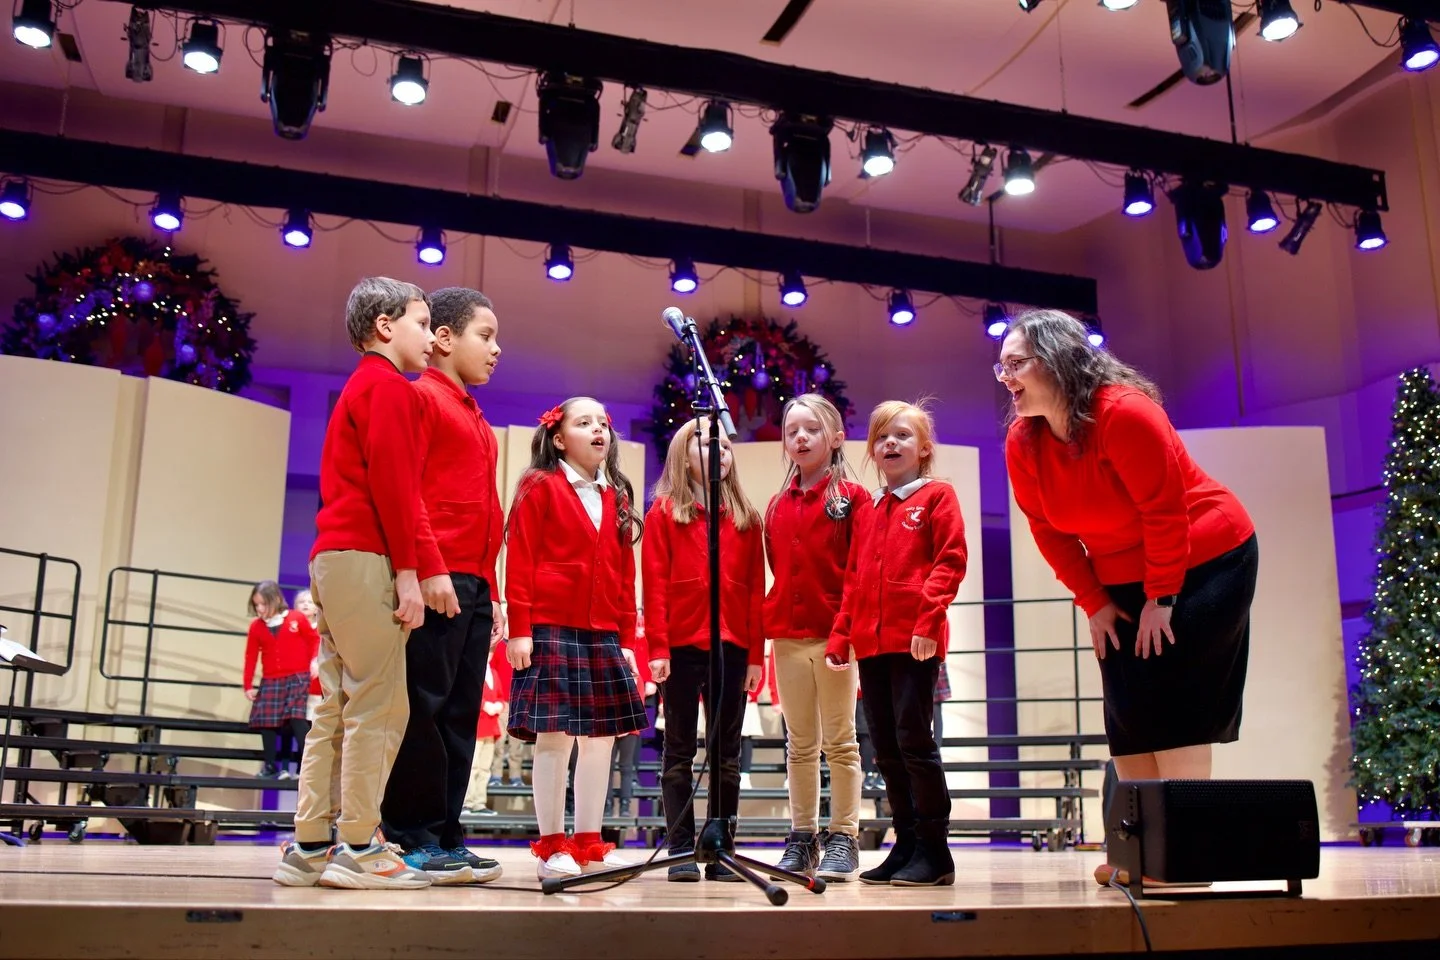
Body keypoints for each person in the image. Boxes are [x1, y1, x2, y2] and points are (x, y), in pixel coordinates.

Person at [997, 309, 1258, 885]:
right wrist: (1093, 601)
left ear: (1058, 361)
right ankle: (1139, 854)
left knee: (1178, 701)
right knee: (1128, 707)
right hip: (1121, 575)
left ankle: (1183, 858)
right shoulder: (1024, 440)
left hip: (1203, 558)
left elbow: (1165, 511)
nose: (1005, 377)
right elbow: (1047, 529)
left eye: (1016, 364)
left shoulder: (1124, 413)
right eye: (1002, 366)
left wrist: (1162, 598)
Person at [272, 277, 435, 890]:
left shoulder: (358, 388)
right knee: (380, 705)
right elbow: (395, 486)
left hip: (333, 558)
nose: (430, 338)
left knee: (336, 707)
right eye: (422, 323)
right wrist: (409, 573)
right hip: (367, 556)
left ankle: (311, 844)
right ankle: (361, 845)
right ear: (385, 326)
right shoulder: (390, 388)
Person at [379, 287, 505, 885]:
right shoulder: (421, 398)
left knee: (459, 713)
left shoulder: (475, 415)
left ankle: (447, 832)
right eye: (486, 335)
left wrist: (493, 590)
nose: (496, 349)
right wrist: (430, 568)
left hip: (475, 583)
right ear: (446, 338)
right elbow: (411, 495)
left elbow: (487, 513)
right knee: (424, 709)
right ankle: (412, 834)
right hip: (440, 578)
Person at [826, 400, 968, 887]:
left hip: (914, 643)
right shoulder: (869, 509)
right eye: (882, 437)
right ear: (872, 450)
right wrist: (842, 633)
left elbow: (950, 560)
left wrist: (928, 621)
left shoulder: (938, 496)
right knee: (885, 748)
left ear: (924, 448)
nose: (891, 443)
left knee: (914, 743)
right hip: (871, 645)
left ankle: (935, 850)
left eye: (903, 435)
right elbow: (854, 577)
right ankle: (905, 843)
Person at [505, 397, 647, 880]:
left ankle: (589, 841)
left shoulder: (617, 495)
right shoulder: (539, 484)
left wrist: (626, 638)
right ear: (560, 438)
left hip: (602, 631)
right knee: (554, 738)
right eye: (584, 422)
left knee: (601, 740)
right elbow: (520, 559)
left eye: (603, 422)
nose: (598, 429)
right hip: (550, 627)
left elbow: (625, 574)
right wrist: (520, 629)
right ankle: (551, 846)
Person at [643, 420, 765, 882]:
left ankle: (720, 849)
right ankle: (679, 848)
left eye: (727, 444)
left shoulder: (746, 518)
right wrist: (657, 646)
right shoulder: (663, 512)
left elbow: (755, 591)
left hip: (731, 648)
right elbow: (654, 583)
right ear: (683, 454)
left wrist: (755, 656)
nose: (720, 449)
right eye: (708, 441)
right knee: (678, 752)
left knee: (726, 756)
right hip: (679, 647)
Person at [764, 394, 868, 881]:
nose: (800, 438)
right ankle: (802, 837)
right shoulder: (776, 506)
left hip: (836, 638)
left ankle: (844, 836)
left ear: (836, 438)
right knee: (799, 743)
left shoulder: (853, 498)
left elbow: (857, 573)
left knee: (841, 742)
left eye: (811, 429)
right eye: (792, 431)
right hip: (787, 637)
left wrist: (843, 633)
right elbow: (779, 568)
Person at [242, 581, 319, 779]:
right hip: (271, 679)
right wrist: (248, 685)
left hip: (297, 677)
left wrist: (314, 661)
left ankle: (309, 764)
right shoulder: (256, 627)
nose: (260, 609)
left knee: (296, 717)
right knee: (266, 721)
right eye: (257, 605)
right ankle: (270, 765)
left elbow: (314, 640)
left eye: (264, 604)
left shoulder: (296, 618)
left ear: (276, 600)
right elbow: (251, 656)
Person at [464, 650, 508, 818]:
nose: (488, 655)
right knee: (472, 766)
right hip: (476, 725)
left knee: (484, 768)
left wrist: (499, 705)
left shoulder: (493, 673)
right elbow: (468, 694)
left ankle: (479, 803)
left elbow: (500, 695)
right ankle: (467, 802)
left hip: (490, 726)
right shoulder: (473, 671)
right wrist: (484, 705)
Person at [293, 590, 323, 722]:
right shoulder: (292, 628)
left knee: (312, 714)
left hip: (314, 677)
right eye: (301, 602)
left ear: (316, 608)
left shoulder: (321, 629)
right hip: (295, 677)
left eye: (310, 602)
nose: (305, 604)